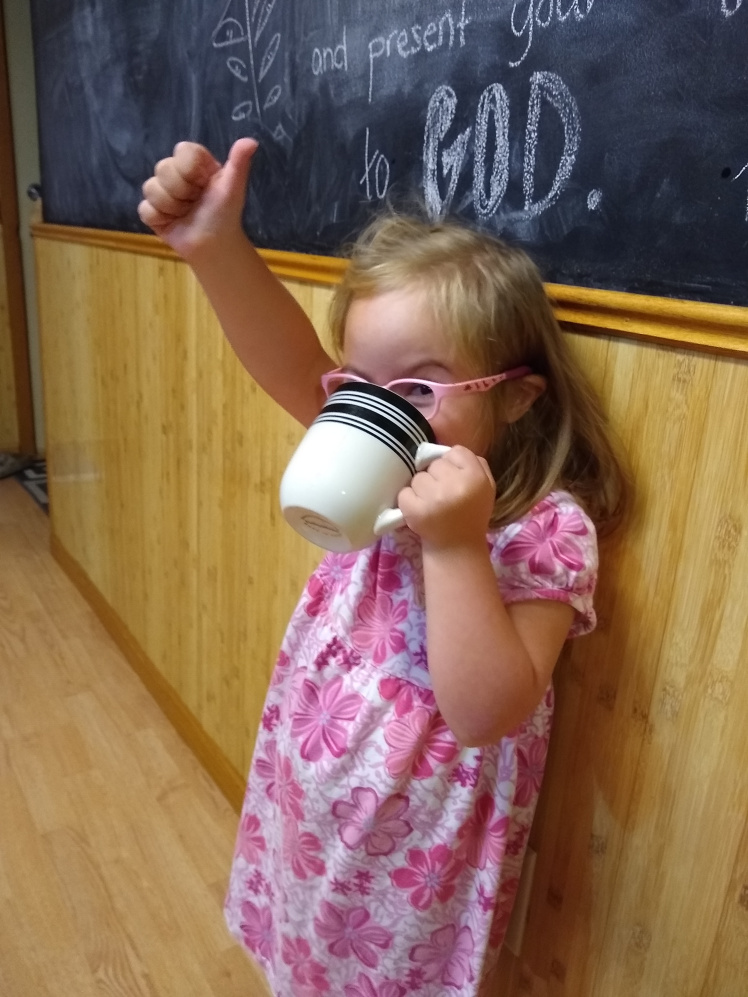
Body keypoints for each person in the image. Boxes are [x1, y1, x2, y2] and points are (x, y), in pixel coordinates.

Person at [139, 138, 630, 996]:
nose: (372, 412)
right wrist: (216, 246)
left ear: (517, 395)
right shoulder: (376, 463)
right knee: (304, 952)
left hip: (412, 856)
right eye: (358, 383)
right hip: (312, 801)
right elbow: (290, 361)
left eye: (417, 389)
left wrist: (454, 546)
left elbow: (487, 710)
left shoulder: (544, 530)